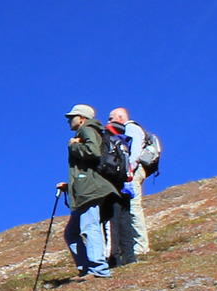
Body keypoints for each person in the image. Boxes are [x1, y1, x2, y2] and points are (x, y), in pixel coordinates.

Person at [59, 104, 128, 277]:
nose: (69, 120)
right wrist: (69, 185)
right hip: (87, 187)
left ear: (81, 118)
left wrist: (73, 146)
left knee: (89, 227)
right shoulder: (88, 131)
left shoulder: (87, 129)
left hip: (90, 189)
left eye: (72, 117)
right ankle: (86, 268)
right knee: (72, 233)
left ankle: (98, 269)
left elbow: (93, 151)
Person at [106, 106, 158, 256]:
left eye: (111, 118)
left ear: (121, 118)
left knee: (134, 206)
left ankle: (141, 246)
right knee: (129, 207)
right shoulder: (132, 128)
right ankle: (133, 245)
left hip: (134, 171)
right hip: (134, 170)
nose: (109, 121)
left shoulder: (130, 128)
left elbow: (133, 153)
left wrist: (127, 171)